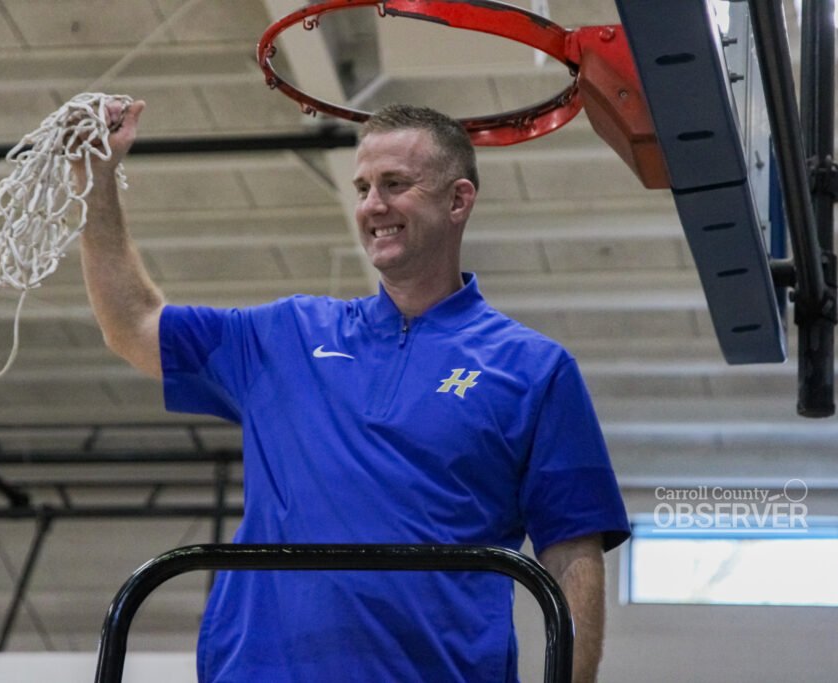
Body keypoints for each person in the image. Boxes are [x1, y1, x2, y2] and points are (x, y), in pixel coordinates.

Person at [76, 98, 630, 682]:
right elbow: (132, 324)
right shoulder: (284, 334)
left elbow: (572, 555)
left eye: (396, 184)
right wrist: (96, 180)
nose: (372, 205)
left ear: (458, 200)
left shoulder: (534, 368)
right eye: (363, 186)